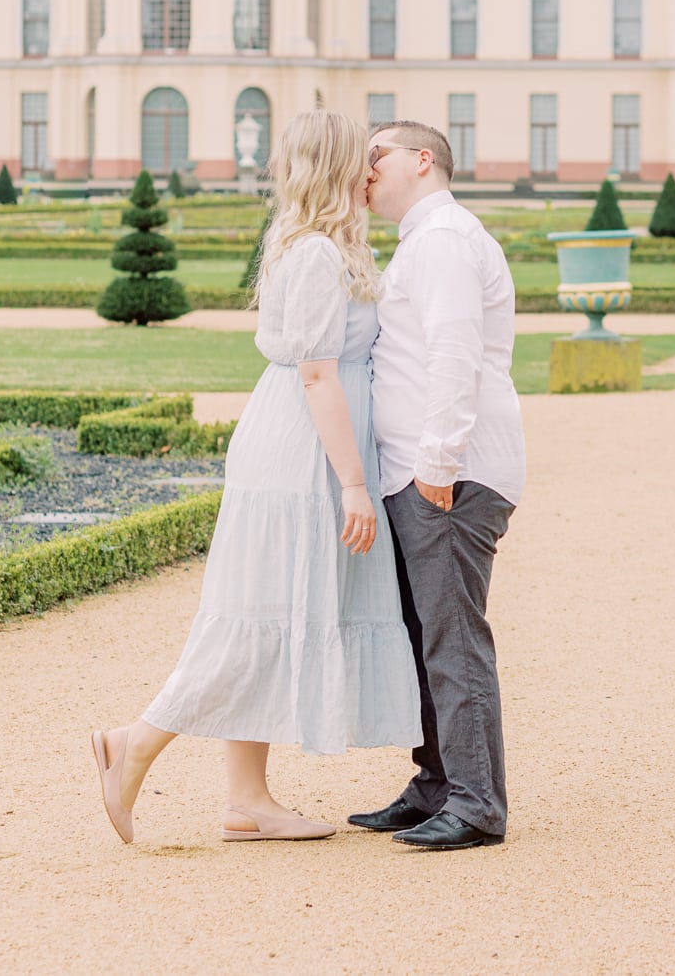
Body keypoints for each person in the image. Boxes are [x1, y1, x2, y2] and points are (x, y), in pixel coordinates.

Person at [91, 110, 420, 844]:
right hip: (303, 456)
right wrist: (356, 483)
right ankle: (132, 743)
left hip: (307, 446)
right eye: (363, 159)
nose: (375, 170)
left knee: (271, 615)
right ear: (336, 167)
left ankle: (247, 799)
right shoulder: (312, 255)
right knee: (257, 621)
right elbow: (315, 373)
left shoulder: (321, 243)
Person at [348, 120, 526, 852]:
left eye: (376, 154)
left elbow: (456, 355)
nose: (363, 168)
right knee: (426, 636)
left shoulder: (446, 239)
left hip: (446, 476)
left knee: (451, 638)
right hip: (422, 473)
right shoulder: (425, 241)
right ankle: (437, 784)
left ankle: (477, 800)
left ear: (424, 160)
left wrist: (437, 468)